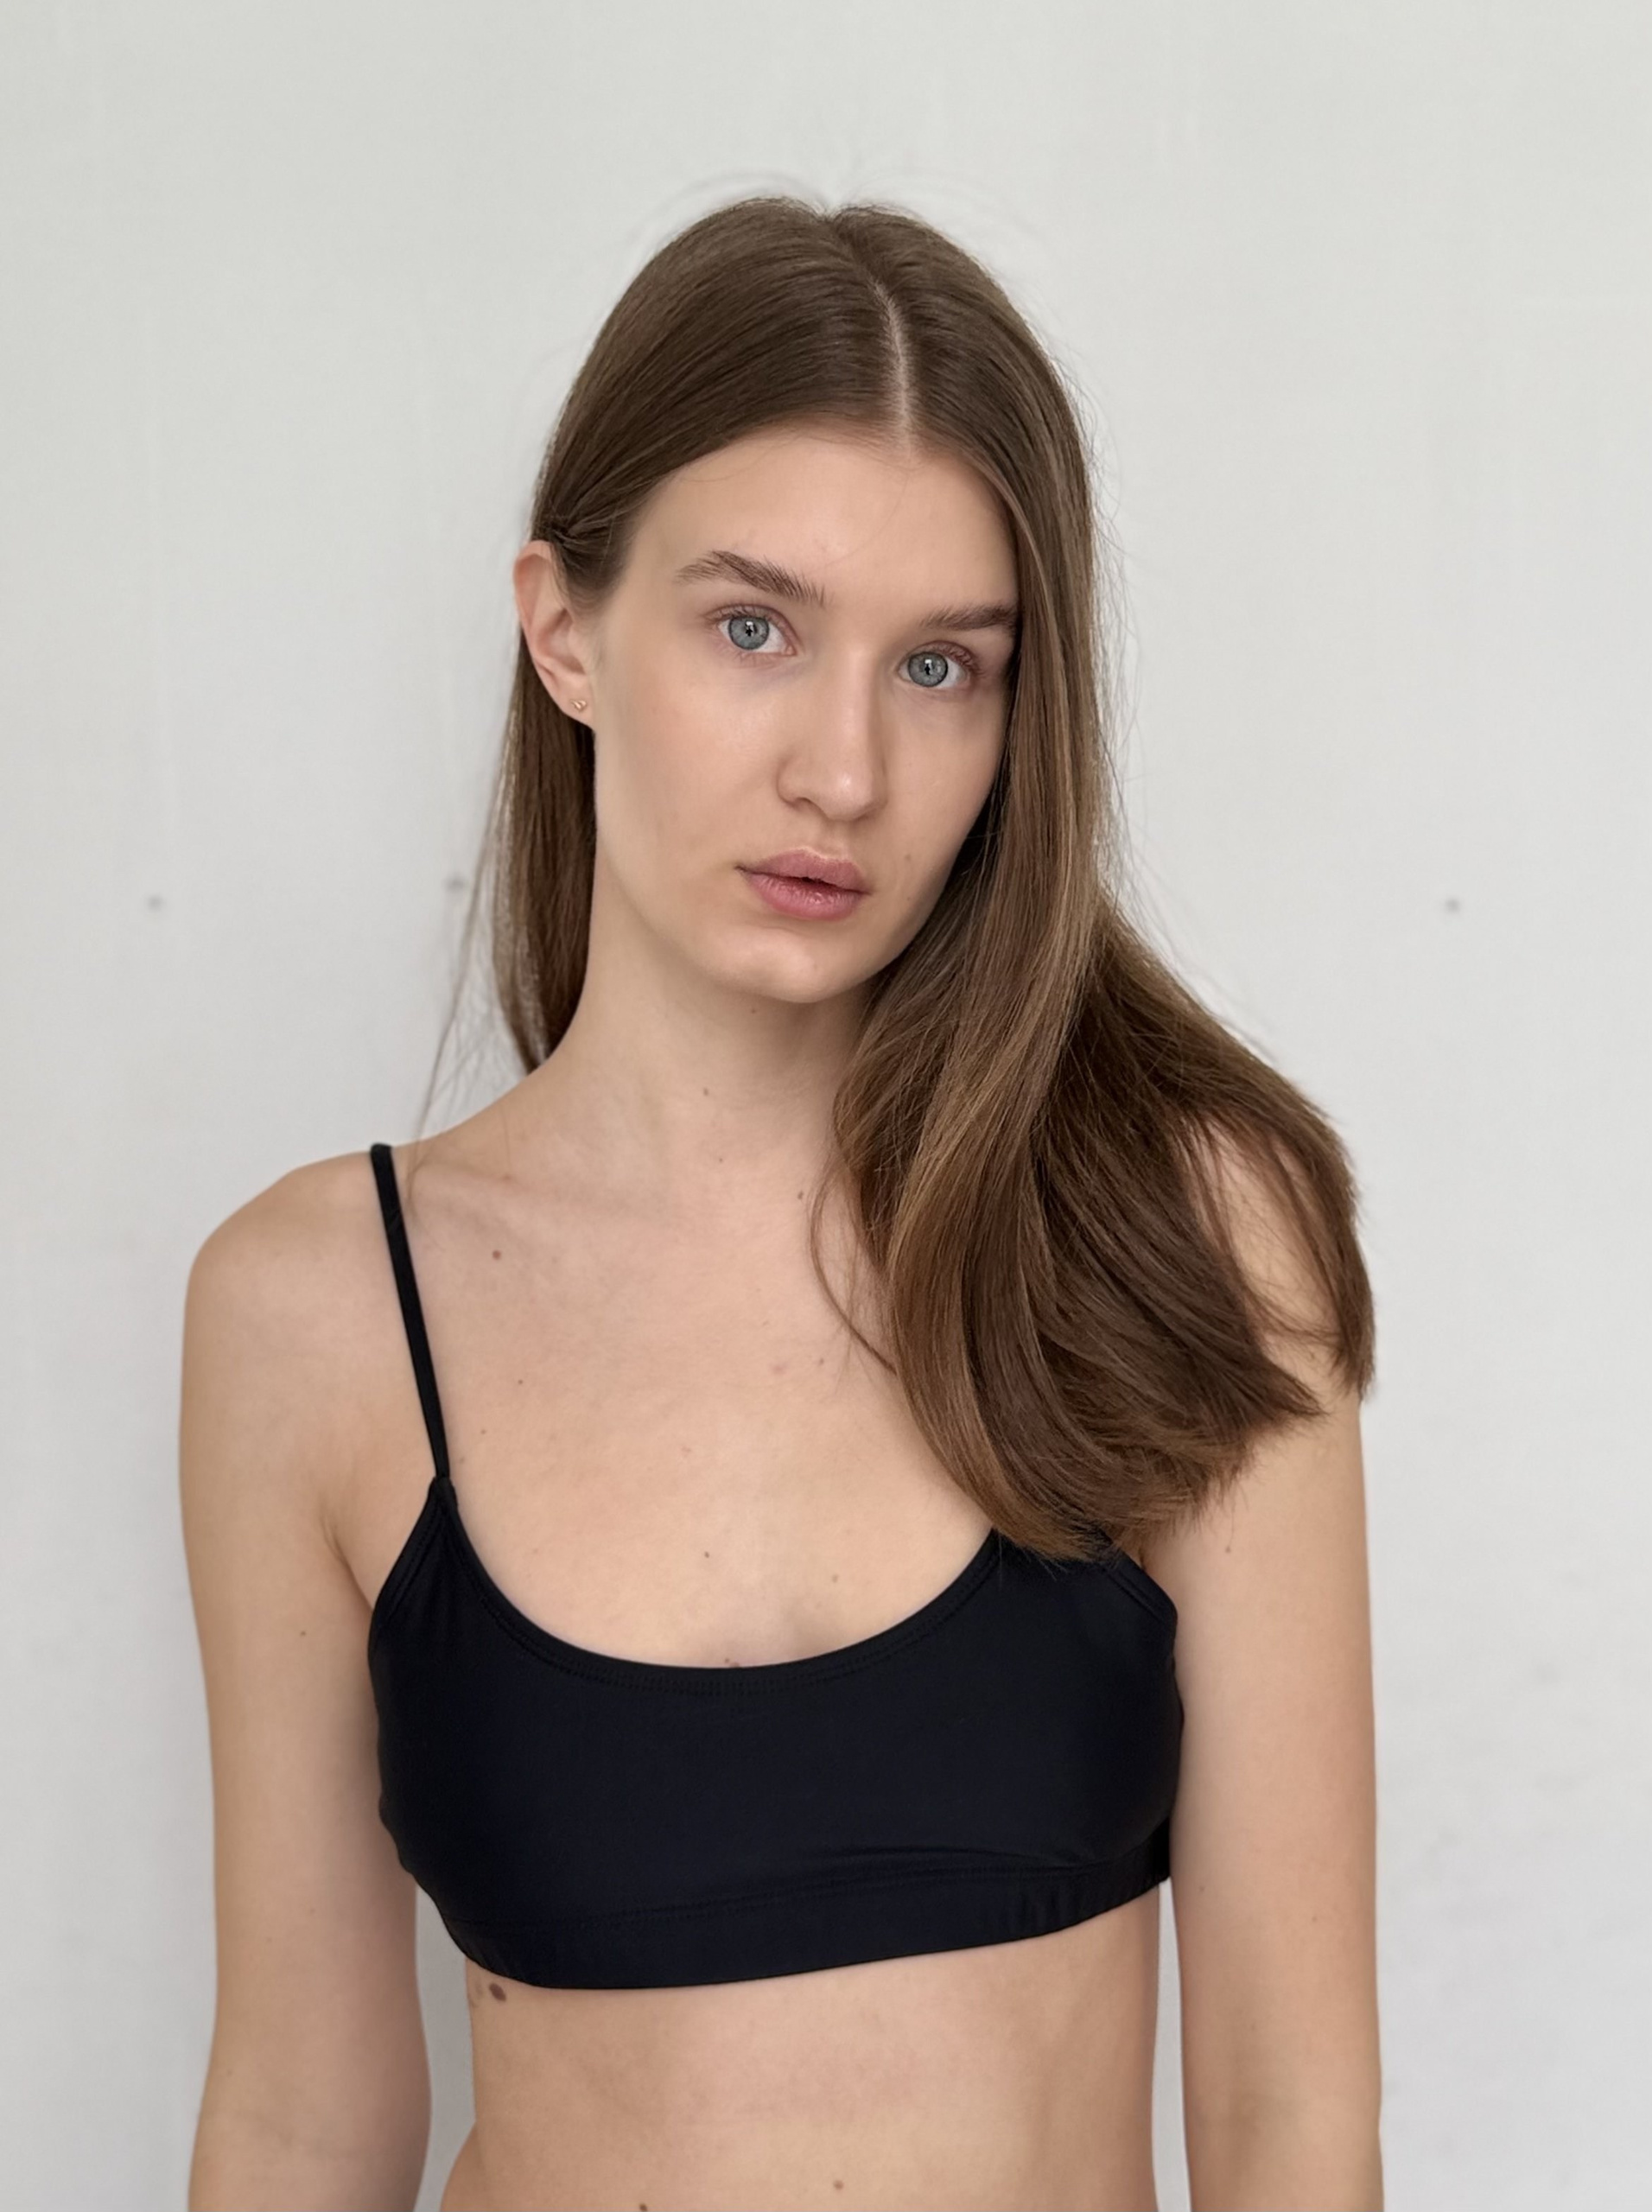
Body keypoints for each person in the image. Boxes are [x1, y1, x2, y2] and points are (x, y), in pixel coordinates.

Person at [181, 194, 1382, 2212]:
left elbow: (1292, 2123)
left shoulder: (1176, 1234)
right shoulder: (317, 1314)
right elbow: (305, 2120)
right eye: (754, 627)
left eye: (942, 666)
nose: (845, 768)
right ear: (565, 627)